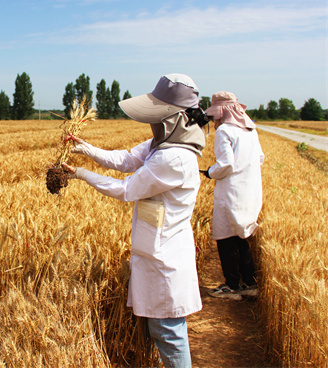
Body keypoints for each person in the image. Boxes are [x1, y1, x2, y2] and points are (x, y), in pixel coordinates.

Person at [62, 74, 209, 368]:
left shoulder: (174, 158)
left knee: (168, 331)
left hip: (165, 254)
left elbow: (126, 188)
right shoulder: (162, 144)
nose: (152, 123)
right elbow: (126, 159)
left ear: (173, 119)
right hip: (156, 248)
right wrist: (85, 147)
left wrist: (80, 174)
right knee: (161, 328)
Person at [202, 91, 264, 300]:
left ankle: (231, 286)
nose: (214, 119)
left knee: (225, 236)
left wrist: (211, 172)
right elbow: (260, 158)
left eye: (215, 114)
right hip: (249, 191)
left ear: (222, 112)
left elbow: (226, 164)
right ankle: (249, 283)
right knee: (241, 236)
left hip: (230, 192)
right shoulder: (250, 130)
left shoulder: (225, 131)